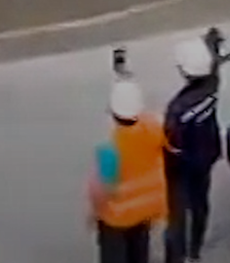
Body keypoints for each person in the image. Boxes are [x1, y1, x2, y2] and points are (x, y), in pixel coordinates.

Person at [89, 78, 168, 263]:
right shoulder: (154, 128)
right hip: (146, 209)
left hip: (118, 218)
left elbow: (102, 190)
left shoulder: (110, 149)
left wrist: (94, 213)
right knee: (139, 251)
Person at [164, 37, 222, 263]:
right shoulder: (212, 87)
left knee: (177, 215)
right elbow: (214, 68)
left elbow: (171, 143)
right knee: (200, 204)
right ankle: (195, 250)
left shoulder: (177, 109)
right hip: (206, 155)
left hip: (182, 165)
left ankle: (176, 257)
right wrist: (213, 45)